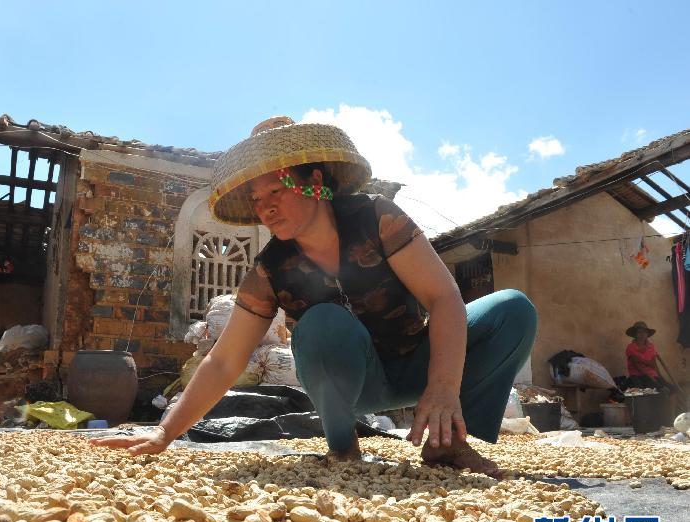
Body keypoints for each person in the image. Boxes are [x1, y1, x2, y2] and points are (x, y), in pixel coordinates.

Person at [91, 116, 537, 477]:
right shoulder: (270, 270)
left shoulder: (377, 219)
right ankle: (343, 448)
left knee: (512, 310)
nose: (265, 206)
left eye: (276, 189)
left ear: (316, 181)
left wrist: (442, 387)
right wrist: (165, 433)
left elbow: (443, 298)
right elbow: (223, 361)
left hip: (417, 363)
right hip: (354, 383)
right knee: (322, 323)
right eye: (256, 197)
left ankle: (447, 443)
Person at [624, 321, 664, 388]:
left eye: (645, 332)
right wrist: (652, 379)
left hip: (653, 375)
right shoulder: (631, 347)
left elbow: (654, 364)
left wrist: (661, 378)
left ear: (647, 334)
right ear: (635, 334)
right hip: (638, 377)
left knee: (669, 387)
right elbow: (638, 366)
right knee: (657, 389)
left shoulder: (651, 346)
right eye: (639, 332)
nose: (642, 335)